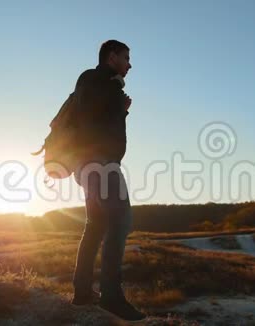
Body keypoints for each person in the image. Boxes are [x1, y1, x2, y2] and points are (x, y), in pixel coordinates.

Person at [69, 40, 146, 322]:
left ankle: (82, 293)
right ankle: (111, 296)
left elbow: (96, 120)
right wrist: (116, 94)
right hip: (99, 163)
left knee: (96, 225)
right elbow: (90, 119)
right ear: (111, 57)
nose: (129, 64)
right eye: (126, 57)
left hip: (90, 163)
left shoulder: (101, 84)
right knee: (121, 220)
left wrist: (121, 109)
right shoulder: (95, 78)